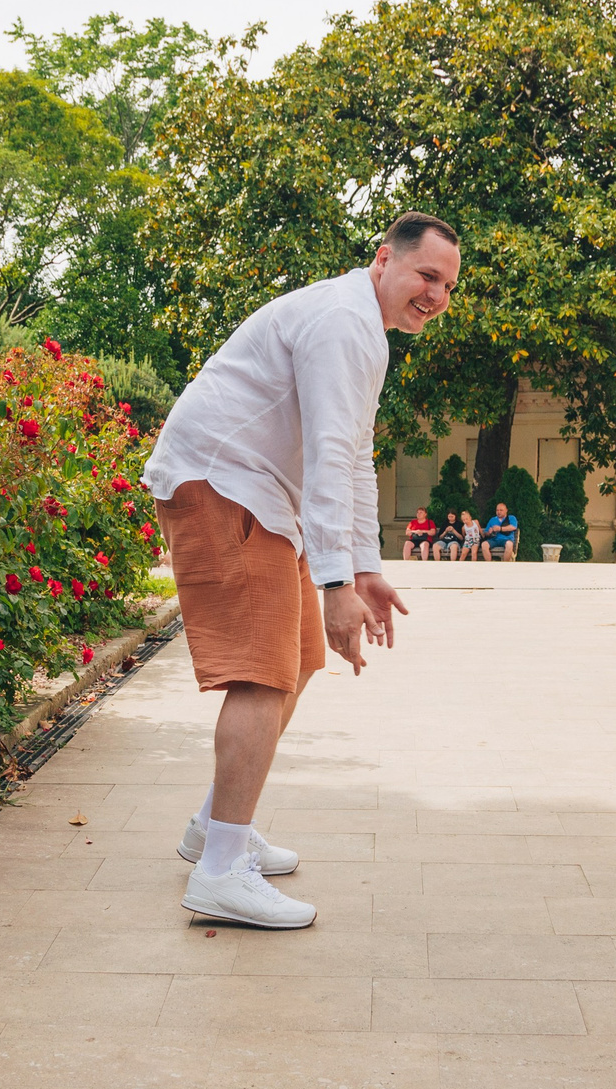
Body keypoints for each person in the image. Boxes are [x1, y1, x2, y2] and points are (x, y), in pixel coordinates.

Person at [142, 211, 460, 929]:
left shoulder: (363, 326)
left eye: (447, 285)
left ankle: (215, 825)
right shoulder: (345, 323)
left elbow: (352, 456)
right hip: (223, 483)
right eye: (426, 275)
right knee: (263, 673)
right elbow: (324, 454)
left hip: (256, 493)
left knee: (298, 659)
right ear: (385, 260)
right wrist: (336, 587)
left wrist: (367, 567)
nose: (436, 295)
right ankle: (222, 871)